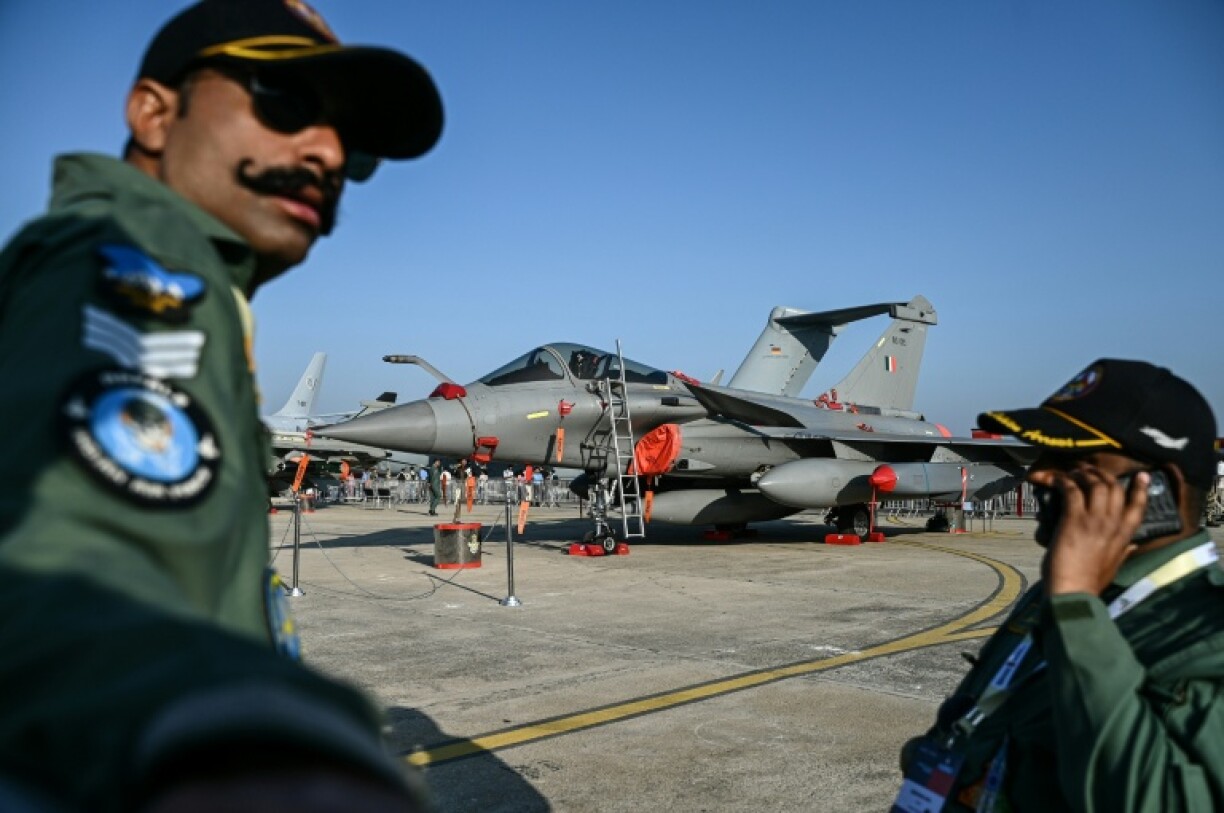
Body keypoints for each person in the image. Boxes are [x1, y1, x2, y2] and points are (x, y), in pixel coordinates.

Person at [0, 1, 443, 810]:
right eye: (285, 101)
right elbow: (73, 564)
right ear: (154, 112)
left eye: (354, 145)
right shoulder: (131, 273)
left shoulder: (179, 287)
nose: (328, 151)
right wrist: (244, 741)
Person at [896, 359, 1223, 812]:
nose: (1038, 475)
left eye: (1073, 460)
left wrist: (1076, 606)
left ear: (1154, 493)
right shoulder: (1052, 593)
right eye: (1042, 454)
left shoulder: (1207, 635)